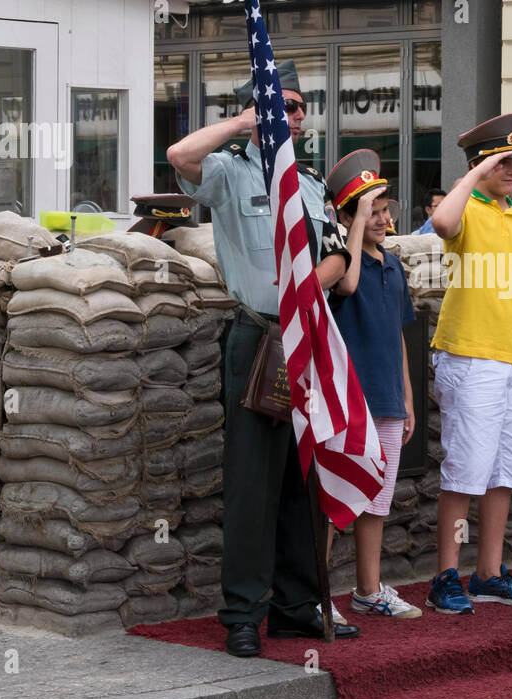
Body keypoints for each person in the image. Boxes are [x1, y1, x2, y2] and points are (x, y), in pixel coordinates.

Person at [166, 59, 361, 657]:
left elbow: (334, 255)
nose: (296, 117)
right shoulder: (228, 170)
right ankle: (243, 614)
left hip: (308, 330)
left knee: (305, 476)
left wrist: (311, 288)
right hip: (258, 337)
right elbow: (179, 156)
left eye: (301, 108)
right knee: (253, 482)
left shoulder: (305, 182)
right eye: (286, 105)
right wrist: (243, 122)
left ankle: (296, 606)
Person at [427, 114, 512, 614]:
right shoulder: (467, 208)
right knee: (464, 473)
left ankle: (490, 573)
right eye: (503, 160)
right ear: (479, 164)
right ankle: (445, 576)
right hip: (469, 356)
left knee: (505, 473)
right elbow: (441, 223)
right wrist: (472, 177)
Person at [326, 149, 422, 619]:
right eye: (372, 210)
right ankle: (316, 595)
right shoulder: (344, 262)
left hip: (386, 398)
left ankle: (368, 590)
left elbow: (398, 336)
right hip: (348, 400)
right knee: (335, 497)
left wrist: (406, 396)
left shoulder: (393, 265)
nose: (383, 219)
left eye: (386, 210)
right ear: (349, 215)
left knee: (376, 500)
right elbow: (345, 284)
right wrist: (356, 225)